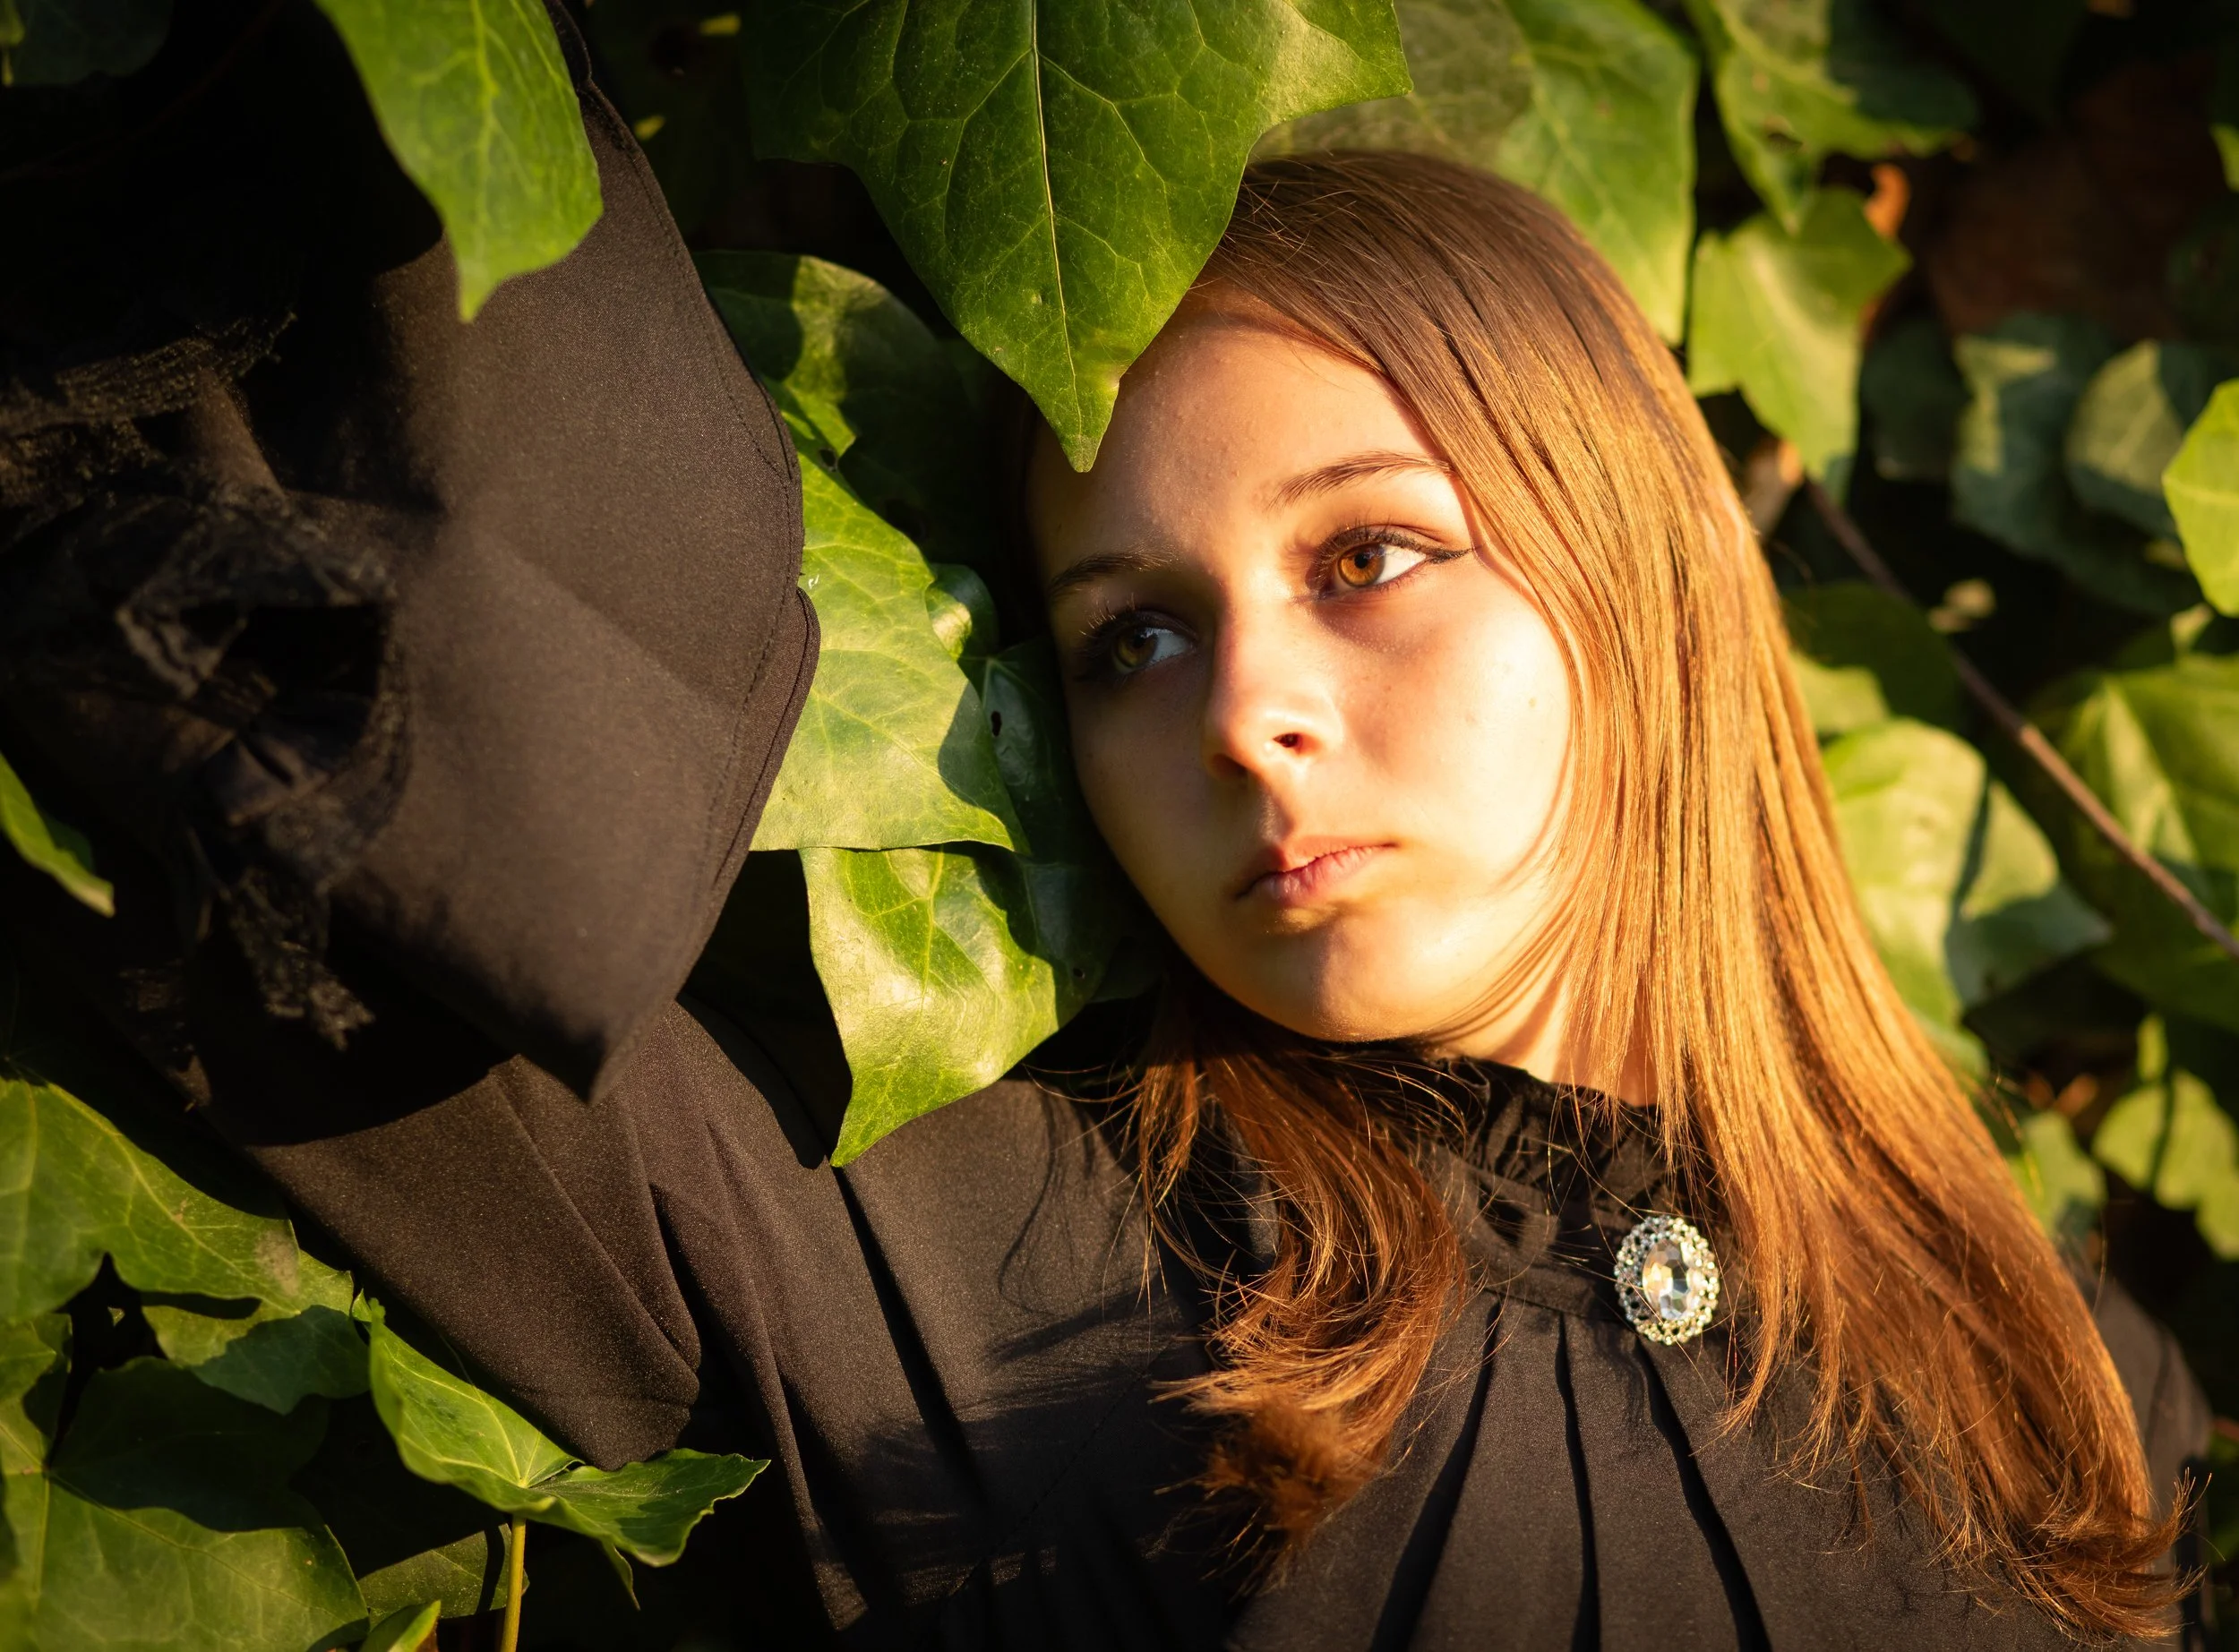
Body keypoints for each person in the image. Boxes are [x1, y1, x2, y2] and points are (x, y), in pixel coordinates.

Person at [0, 26, 2205, 1648]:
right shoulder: (933, 1261)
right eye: (1132, 637)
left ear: (1632, 570)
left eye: (1367, 560)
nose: (1245, 710)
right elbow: (325, 786)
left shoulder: (2071, 1372)